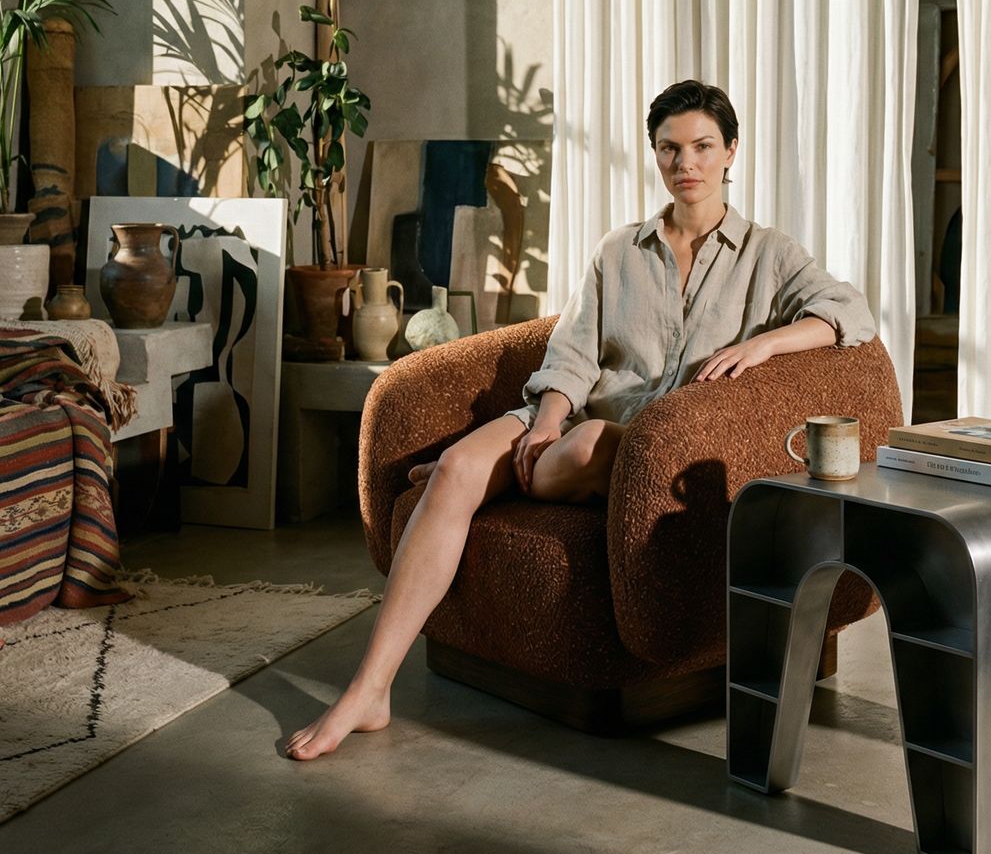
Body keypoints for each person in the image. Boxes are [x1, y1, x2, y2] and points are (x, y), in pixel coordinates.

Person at [287, 80, 875, 760]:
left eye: (702, 147)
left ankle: (493, 476)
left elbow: (849, 315)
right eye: (669, 148)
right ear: (655, 155)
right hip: (574, 419)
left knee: (581, 444)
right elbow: (570, 353)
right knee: (456, 468)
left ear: (730, 151)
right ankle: (370, 690)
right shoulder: (617, 251)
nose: (686, 164)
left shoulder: (769, 255)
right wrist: (545, 419)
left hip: (646, 448)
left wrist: (763, 342)